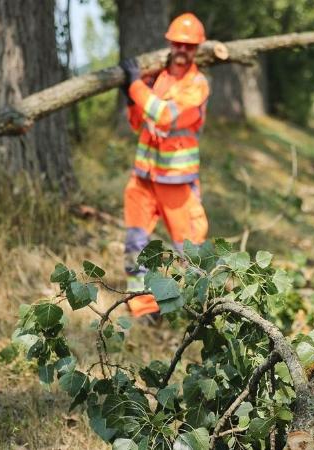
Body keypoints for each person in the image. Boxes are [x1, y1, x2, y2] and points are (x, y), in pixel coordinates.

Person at [118, 13, 210, 318]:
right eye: (178, 44)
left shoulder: (197, 85)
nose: (182, 50)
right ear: (169, 43)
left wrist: (135, 87)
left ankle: (191, 308)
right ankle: (143, 308)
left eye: (189, 45)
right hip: (143, 177)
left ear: (197, 49)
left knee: (189, 248)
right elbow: (138, 123)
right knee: (135, 243)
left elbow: (166, 115)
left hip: (176, 181)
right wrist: (132, 100)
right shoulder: (156, 79)